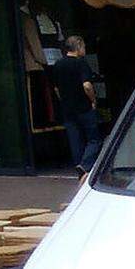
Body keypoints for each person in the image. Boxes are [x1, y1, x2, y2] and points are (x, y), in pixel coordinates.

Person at [51, 35, 100, 178]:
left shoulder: (58, 64)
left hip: (67, 108)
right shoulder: (81, 63)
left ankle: (78, 165)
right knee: (94, 138)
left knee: (75, 138)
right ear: (78, 47)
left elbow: (56, 89)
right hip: (83, 106)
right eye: (83, 47)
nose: (85, 49)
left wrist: (64, 100)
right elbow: (87, 85)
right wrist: (93, 100)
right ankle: (85, 164)